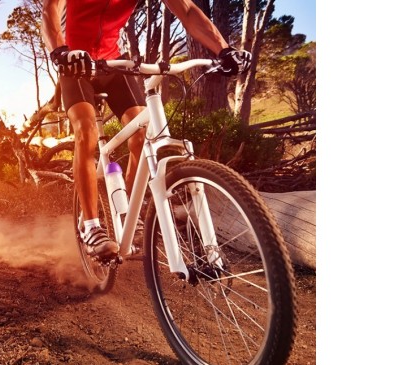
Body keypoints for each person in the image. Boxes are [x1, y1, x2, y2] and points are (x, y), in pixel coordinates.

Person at [41, 0, 251, 262]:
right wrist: (60, 51)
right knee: (86, 130)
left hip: (113, 63)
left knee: (142, 132)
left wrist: (223, 49)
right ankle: (92, 225)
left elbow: (186, 10)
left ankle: (128, 214)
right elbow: (50, 9)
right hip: (75, 63)